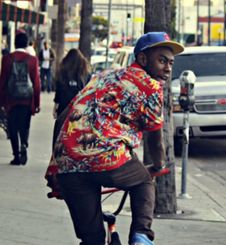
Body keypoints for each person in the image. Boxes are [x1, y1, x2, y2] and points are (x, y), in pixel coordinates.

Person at [45, 32, 184, 245]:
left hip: (68, 165)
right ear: (143, 59)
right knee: (144, 182)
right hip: (108, 158)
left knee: (91, 238)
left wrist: (57, 165)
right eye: (162, 60)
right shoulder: (150, 86)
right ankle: (141, 236)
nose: (167, 68)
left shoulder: (104, 76)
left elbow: (64, 116)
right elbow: (155, 140)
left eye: (171, 63)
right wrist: (158, 165)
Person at [0, 31, 41, 165]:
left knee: (12, 127)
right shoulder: (32, 60)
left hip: (11, 100)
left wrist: (1, 100)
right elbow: (36, 83)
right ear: (26, 44)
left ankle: (16, 156)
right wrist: (37, 102)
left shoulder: (7, 59)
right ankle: (24, 144)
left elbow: (3, 81)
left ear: (15, 43)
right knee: (25, 125)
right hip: (27, 100)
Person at [53, 48, 91, 119]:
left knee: (61, 128)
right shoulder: (85, 74)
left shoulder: (63, 73)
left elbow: (59, 90)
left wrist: (55, 107)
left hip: (63, 108)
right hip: (79, 109)